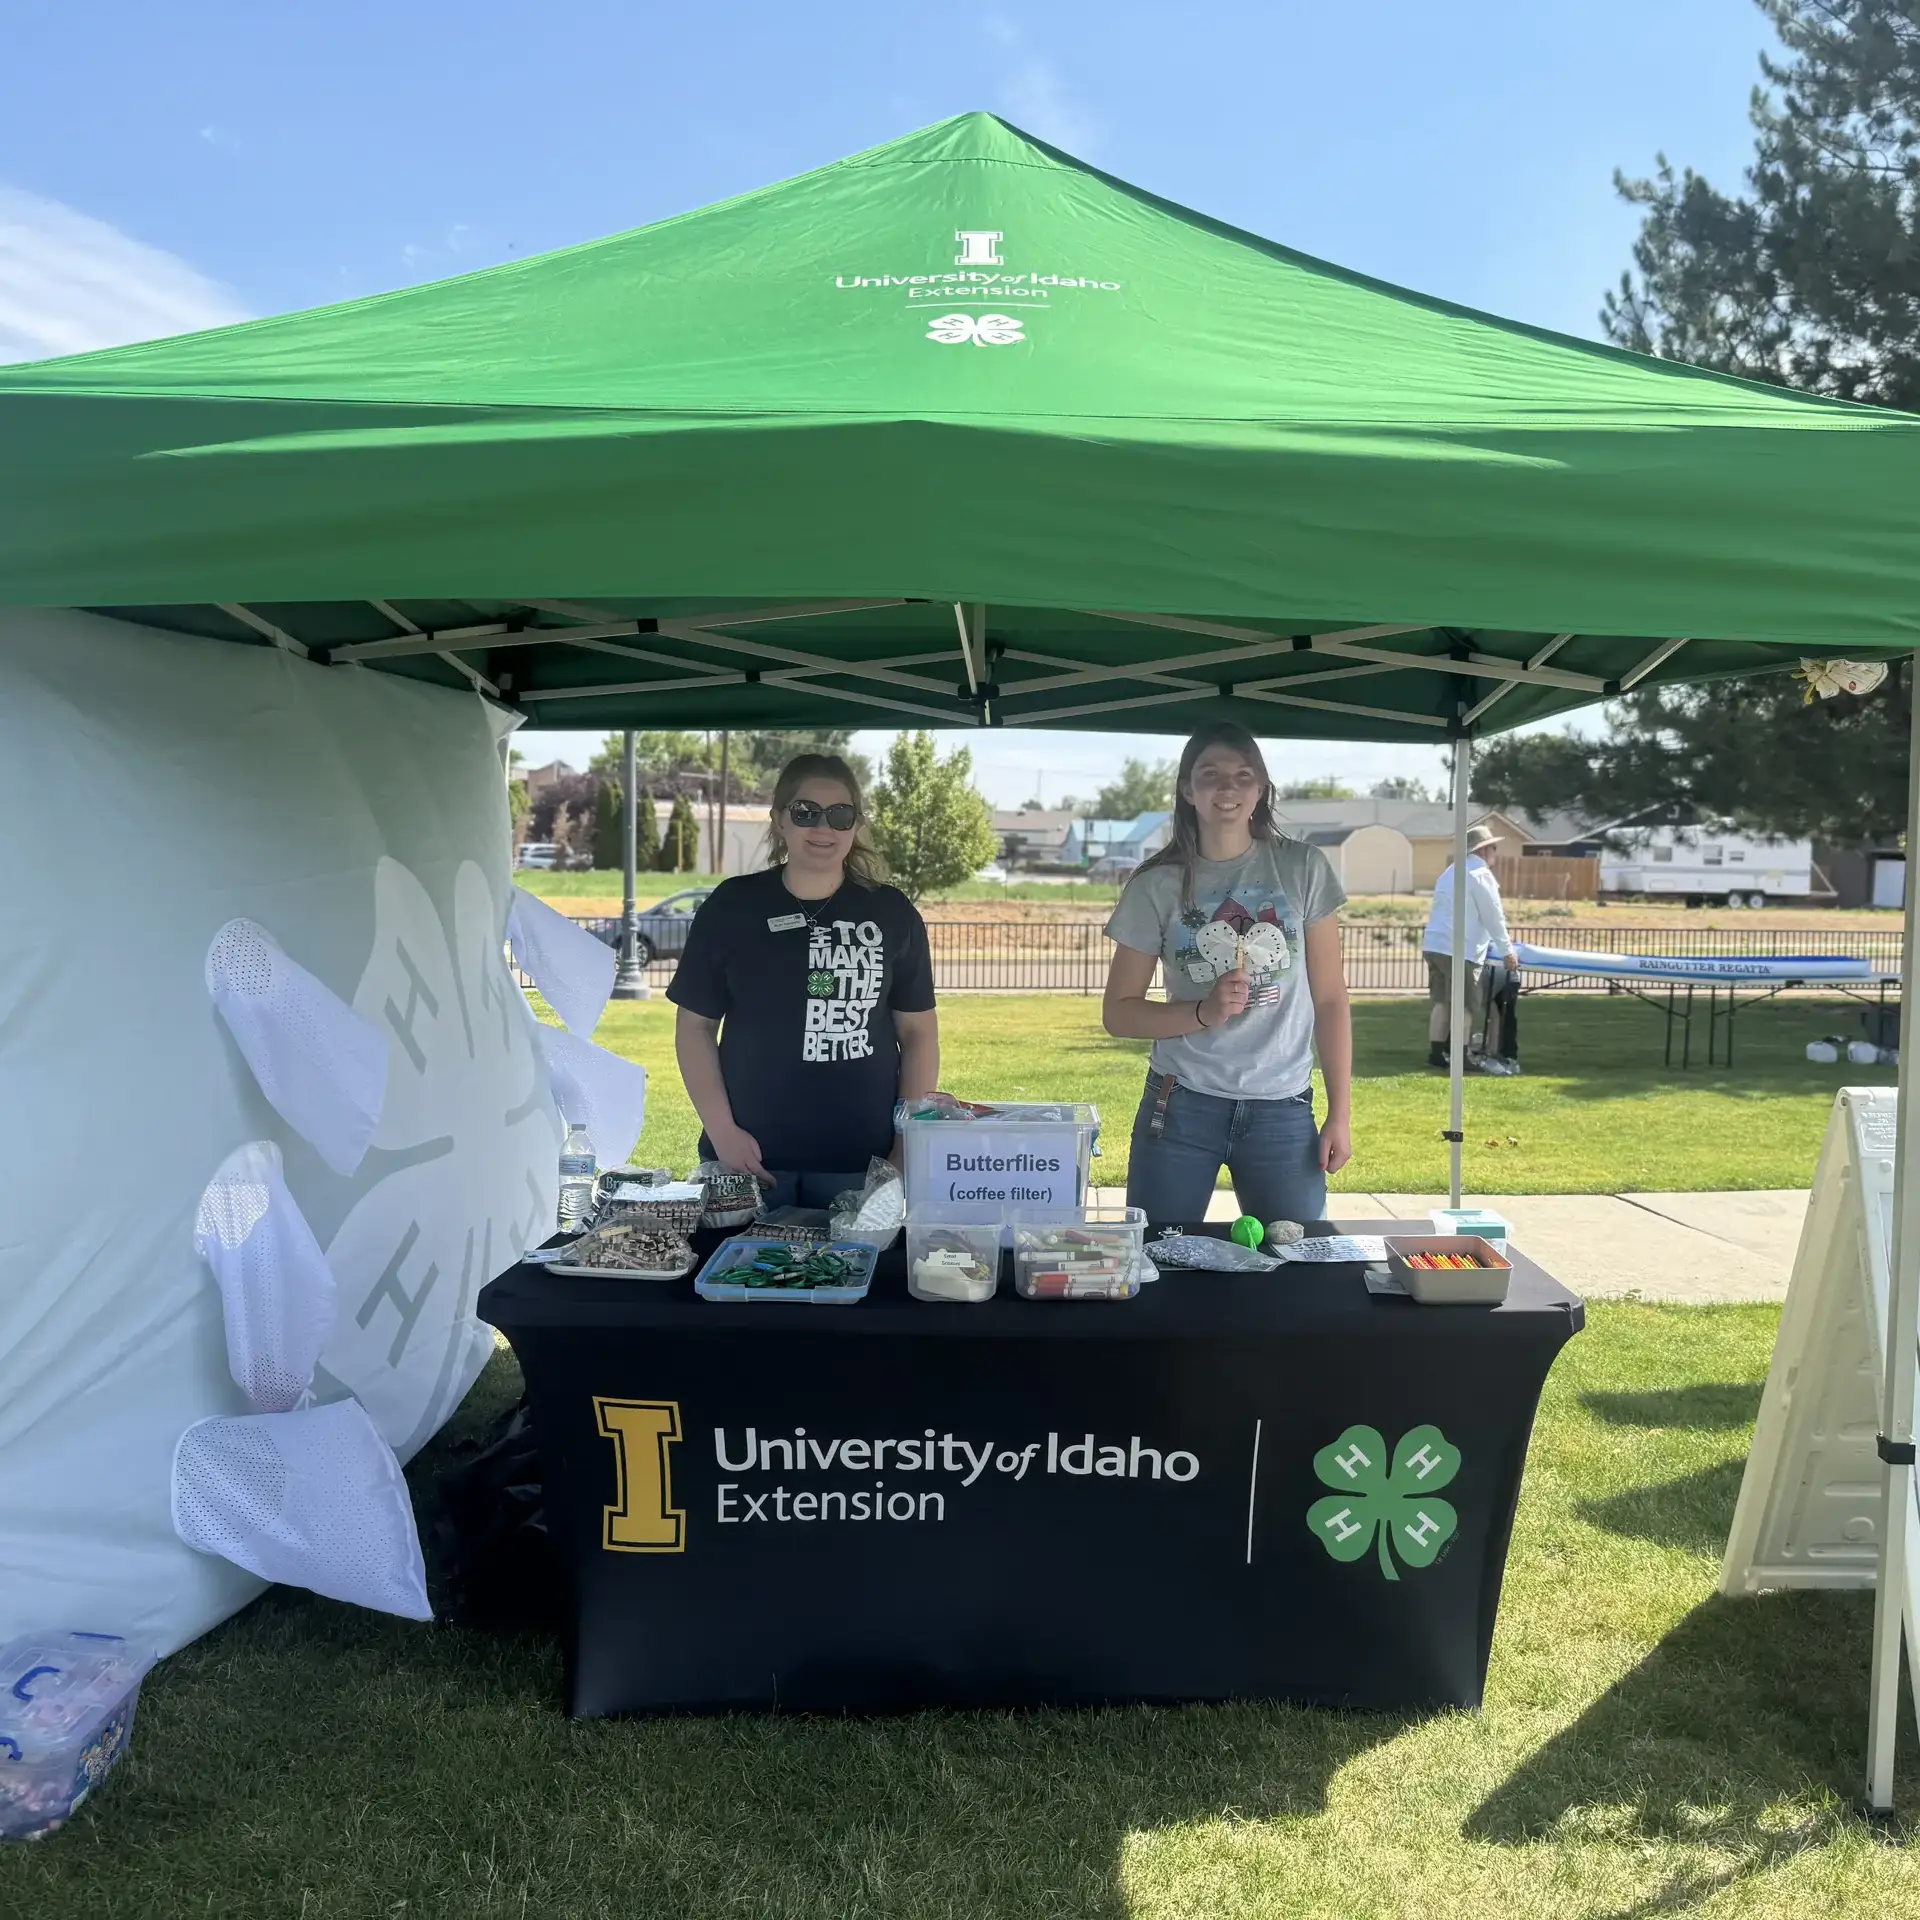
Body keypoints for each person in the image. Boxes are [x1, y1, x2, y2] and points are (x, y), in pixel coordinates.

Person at [1101, 723, 1353, 1229]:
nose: (1228, 788)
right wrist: (1202, 1012)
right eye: (1211, 775)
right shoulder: (1156, 885)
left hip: (1283, 1111)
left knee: (1296, 1267)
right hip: (1179, 1108)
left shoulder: (1303, 868)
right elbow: (1118, 1014)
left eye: (1243, 775)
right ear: (1187, 790)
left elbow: (1329, 999)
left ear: (1261, 790)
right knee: (1159, 1266)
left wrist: (1339, 1114)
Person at [669, 753, 940, 1208]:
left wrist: (903, 1145)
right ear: (779, 819)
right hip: (748, 1158)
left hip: (863, 1163)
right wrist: (722, 1133)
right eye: (805, 812)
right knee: (738, 1278)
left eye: (840, 815)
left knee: (859, 1278)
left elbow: (919, 1036)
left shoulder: (892, 913)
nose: (823, 828)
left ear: (856, 824)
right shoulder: (732, 906)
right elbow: (693, 1028)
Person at [1422, 822, 1518, 1070]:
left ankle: (1437, 1053)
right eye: (1494, 848)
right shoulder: (1480, 875)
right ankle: (1460, 1056)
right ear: (1485, 850)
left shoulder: (1451, 872)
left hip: (1435, 944)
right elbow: (1492, 915)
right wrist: (1507, 949)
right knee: (1464, 1004)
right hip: (1461, 948)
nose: (1495, 853)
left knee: (1442, 1001)